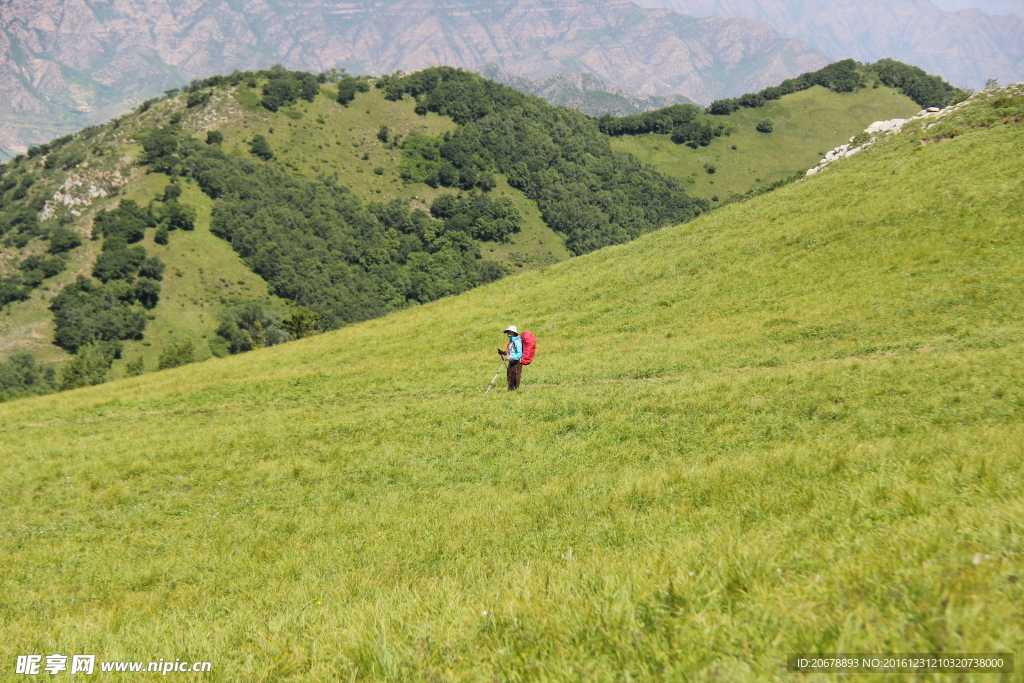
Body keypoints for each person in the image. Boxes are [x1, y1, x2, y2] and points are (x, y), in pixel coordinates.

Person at [498, 325, 523, 391]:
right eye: (507, 332)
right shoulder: (511, 342)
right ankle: (511, 392)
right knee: (510, 378)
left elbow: (519, 354)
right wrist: (503, 353)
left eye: (510, 332)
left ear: (514, 332)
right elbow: (510, 352)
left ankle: (516, 392)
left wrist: (511, 357)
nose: (508, 333)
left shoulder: (517, 341)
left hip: (516, 363)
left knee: (514, 379)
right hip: (511, 362)